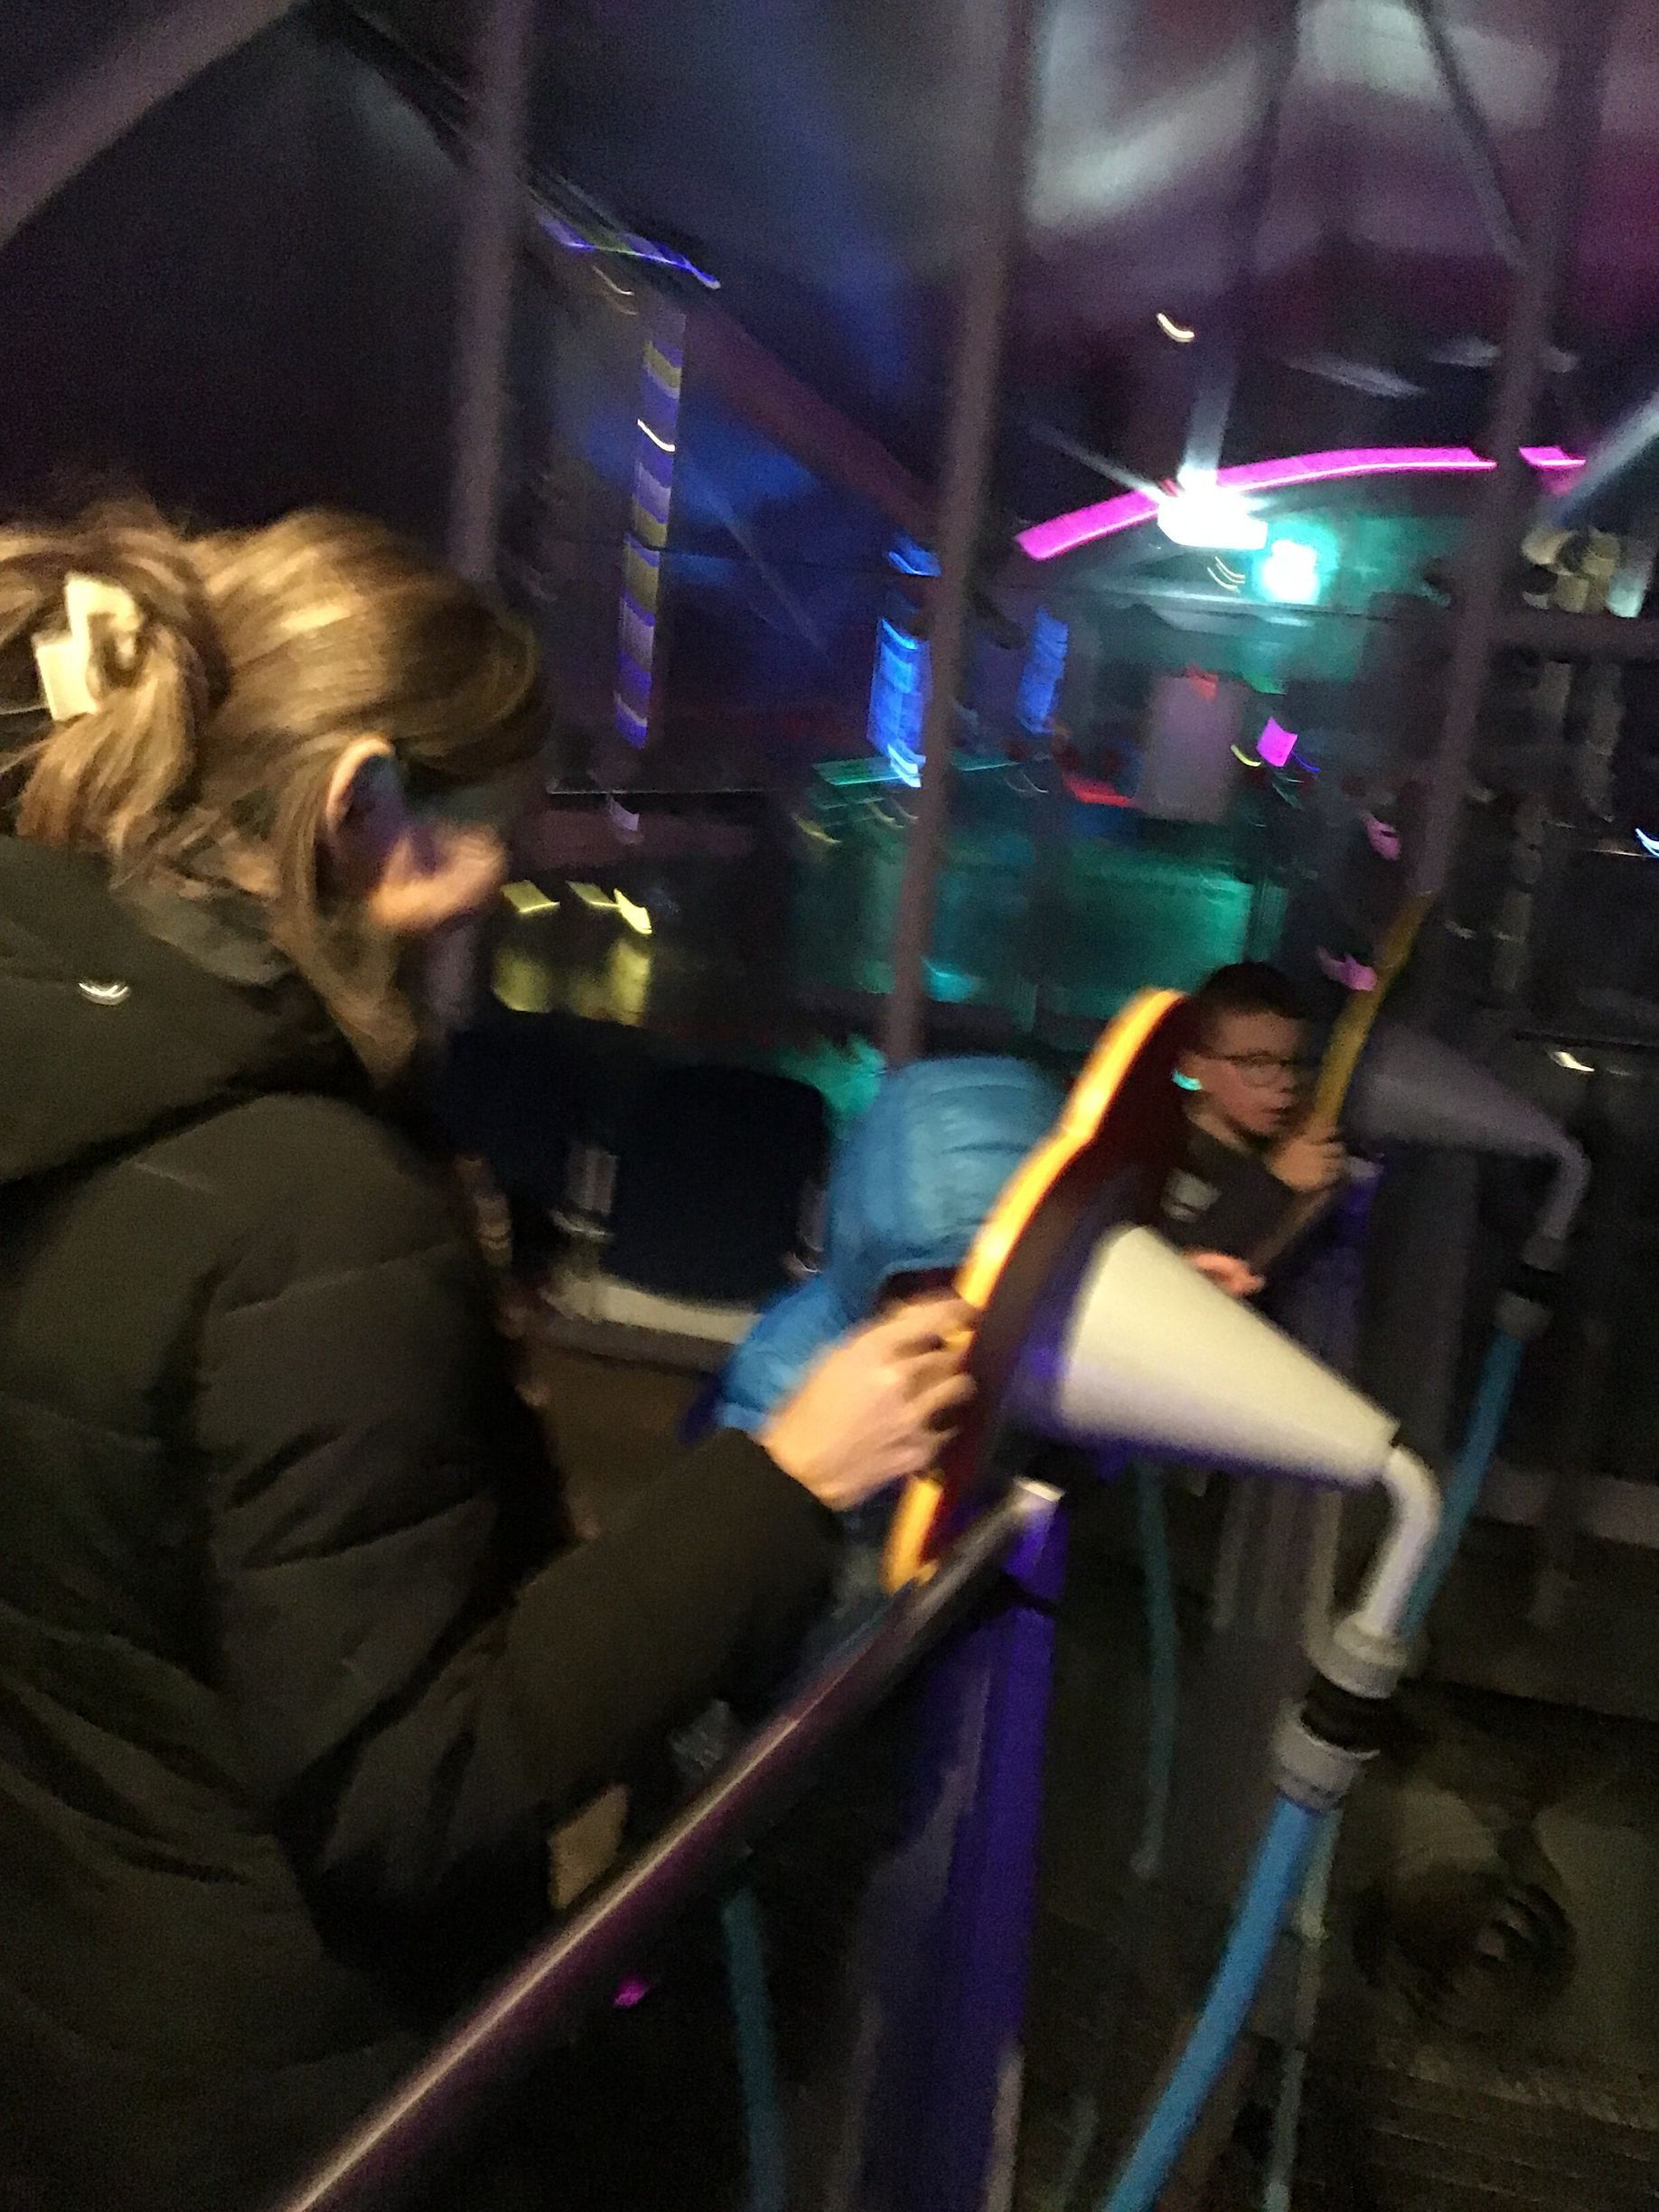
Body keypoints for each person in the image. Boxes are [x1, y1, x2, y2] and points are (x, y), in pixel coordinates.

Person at [0, 501, 972, 2212]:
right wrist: (782, 1482)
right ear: (359, 804)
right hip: (296, 2104)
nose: (515, 870)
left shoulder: (65, 1086)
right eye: (497, 818)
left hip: (73, 2028)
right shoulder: (309, 1209)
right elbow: (412, 1789)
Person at [713, 1056, 1064, 1630]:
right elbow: (752, 1578)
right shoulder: (788, 1373)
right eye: (926, 1284)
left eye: (991, 1285)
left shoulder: (1039, 1350)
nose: (958, 1314)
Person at [1161, 961, 1346, 1291]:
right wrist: (1277, 1183)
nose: (1286, 1081)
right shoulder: (1161, 1161)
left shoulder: (1286, 1147)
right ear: (1193, 1068)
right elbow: (1172, 1270)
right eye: (1257, 1063)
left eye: (1294, 1063)